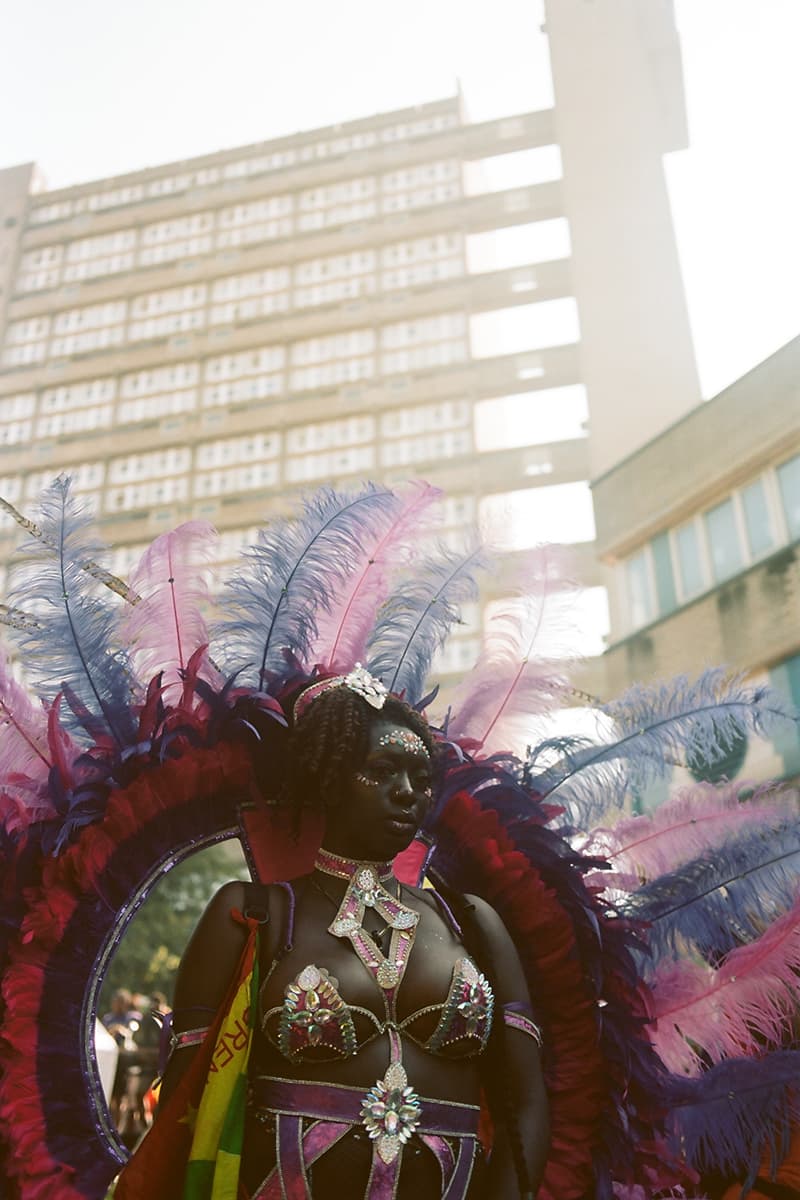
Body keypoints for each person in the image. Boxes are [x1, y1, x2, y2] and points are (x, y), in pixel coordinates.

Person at [134, 669, 549, 1199]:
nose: (407, 794)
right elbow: (188, 1107)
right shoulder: (252, 916)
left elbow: (527, 1104)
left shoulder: (472, 924)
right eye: (383, 771)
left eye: (421, 780)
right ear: (328, 778)